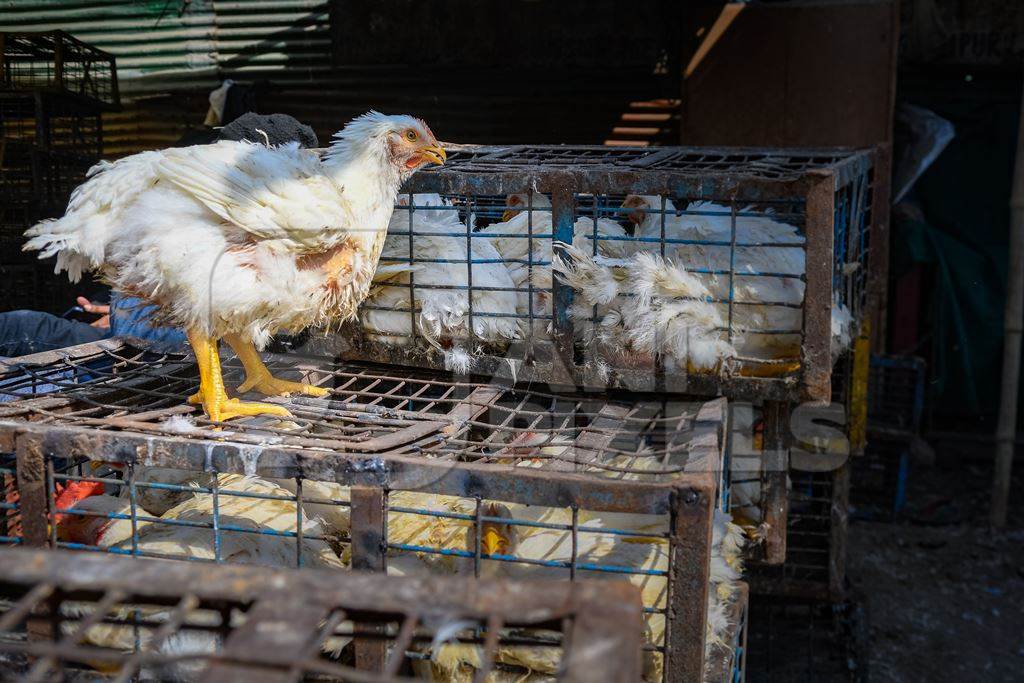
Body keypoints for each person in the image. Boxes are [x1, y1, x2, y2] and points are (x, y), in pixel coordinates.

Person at [0, 113, 318, 359]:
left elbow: (168, 327)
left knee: (21, 345)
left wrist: (123, 311)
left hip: (151, 360)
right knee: (21, 324)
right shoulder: (202, 227)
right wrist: (112, 305)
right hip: (128, 337)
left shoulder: (284, 249)